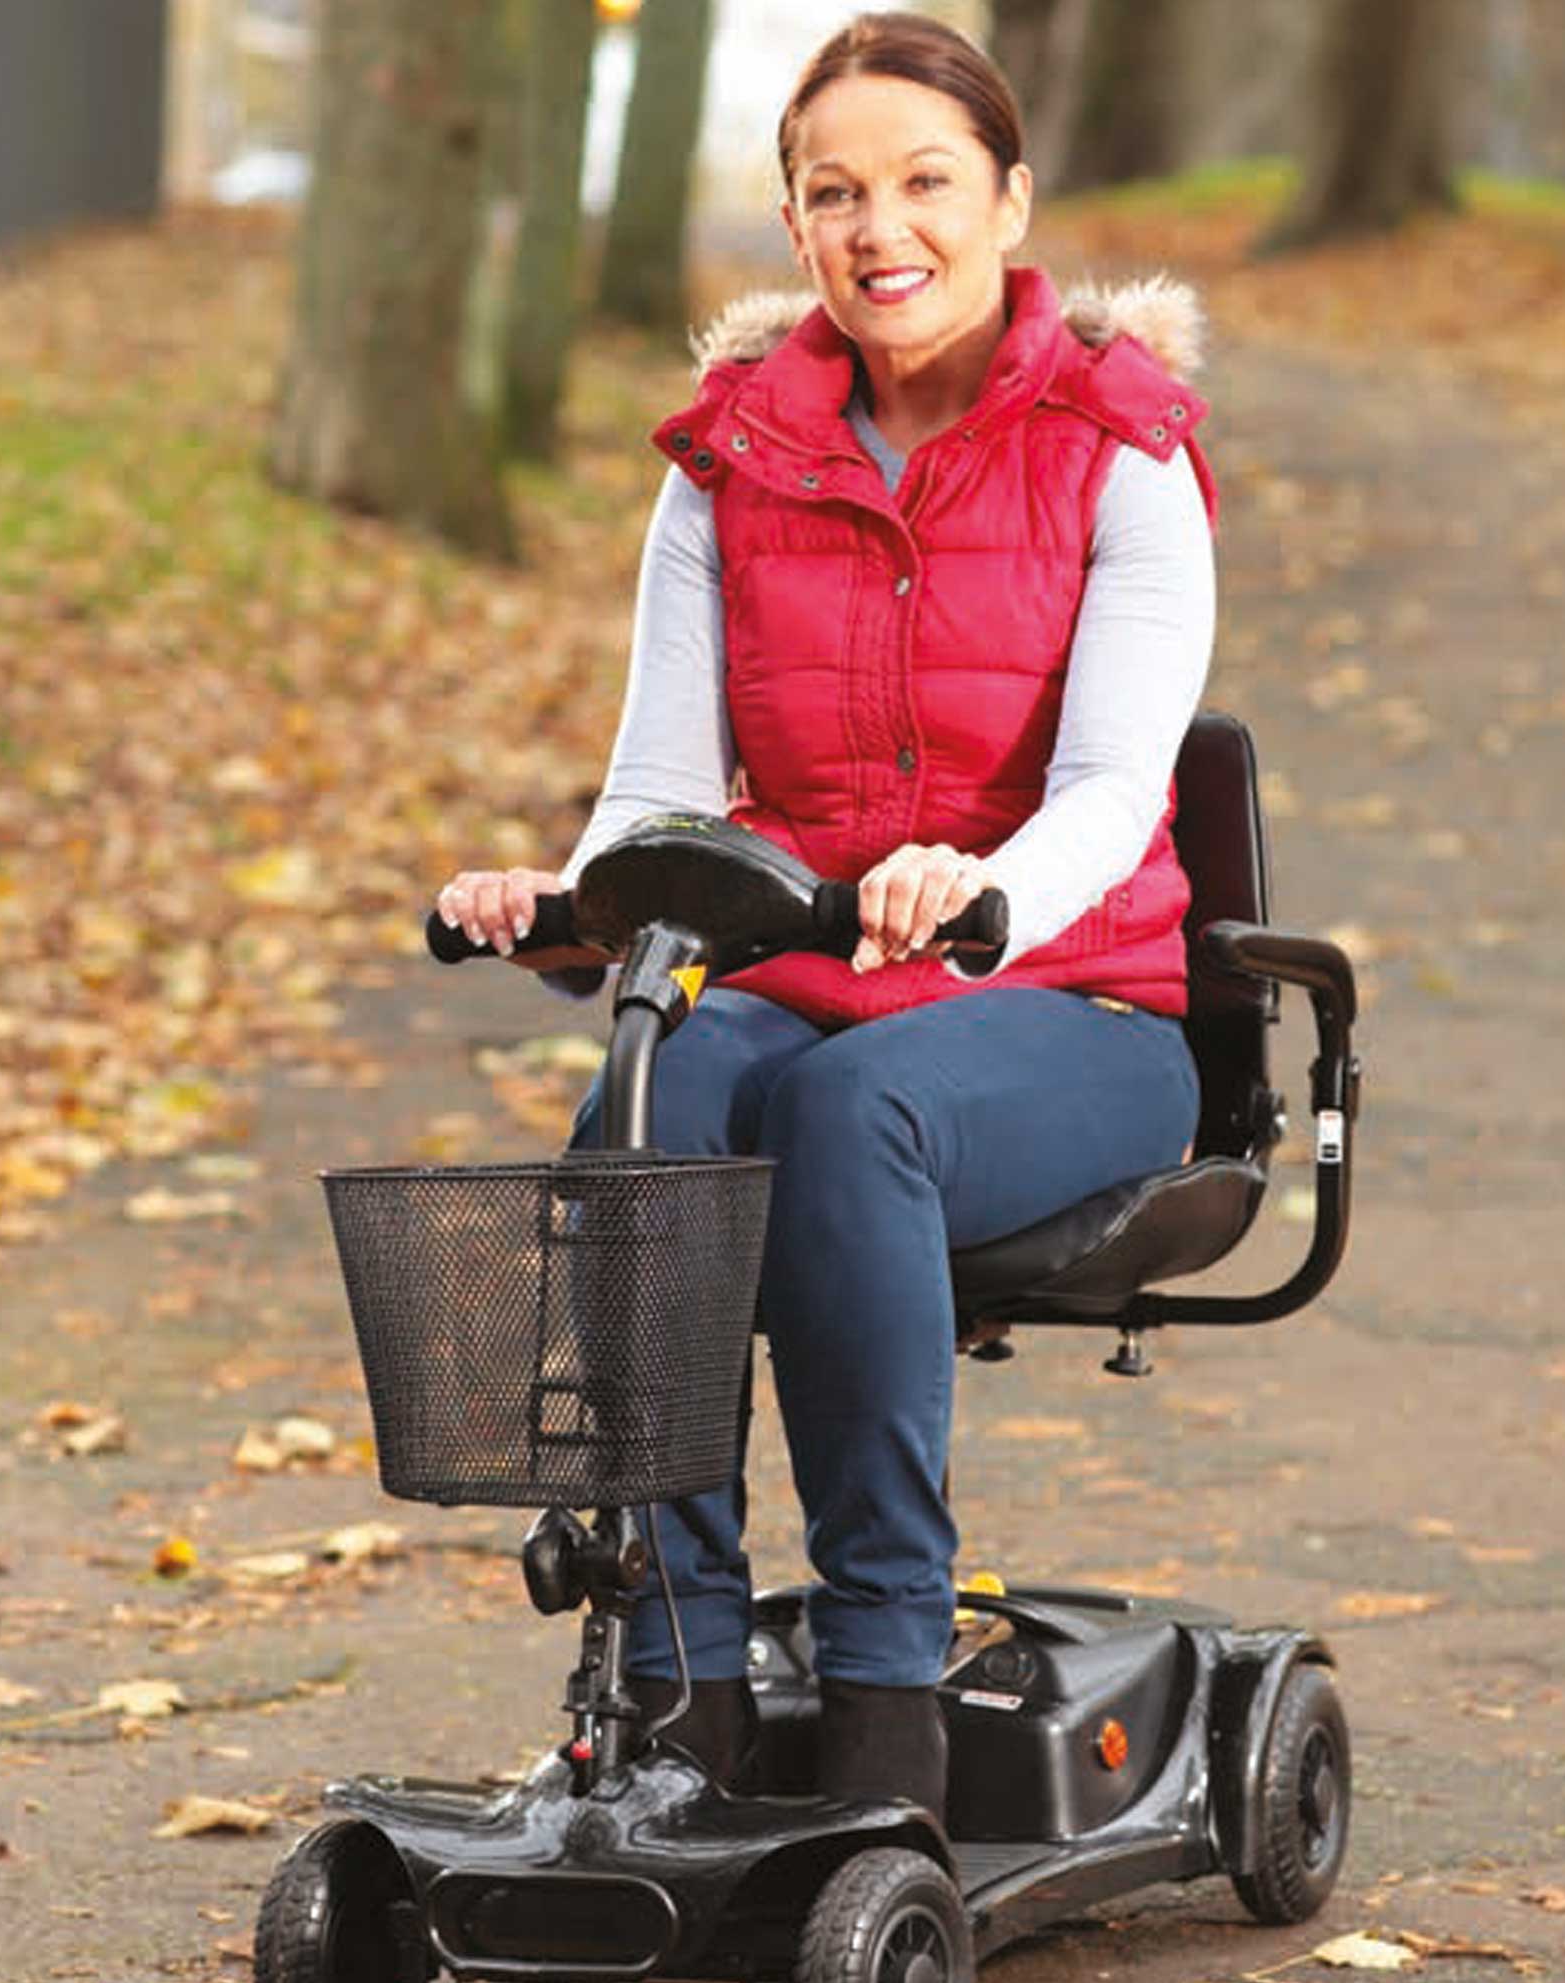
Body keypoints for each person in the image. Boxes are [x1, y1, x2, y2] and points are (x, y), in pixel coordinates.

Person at [435, 11, 1216, 1820]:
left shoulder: (1125, 447)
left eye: (928, 182)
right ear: (794, 228)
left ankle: (882, 1691)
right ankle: (680, 1684)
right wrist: (567, 899)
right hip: (796, 972)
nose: (885, 228)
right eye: (835, 192)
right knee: (665, 1091)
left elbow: (1113, 789)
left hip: (1078, 1002)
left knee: (854, 1106)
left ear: (1011, 201)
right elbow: (660, 788)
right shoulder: (727, 462)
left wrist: (980, 891)